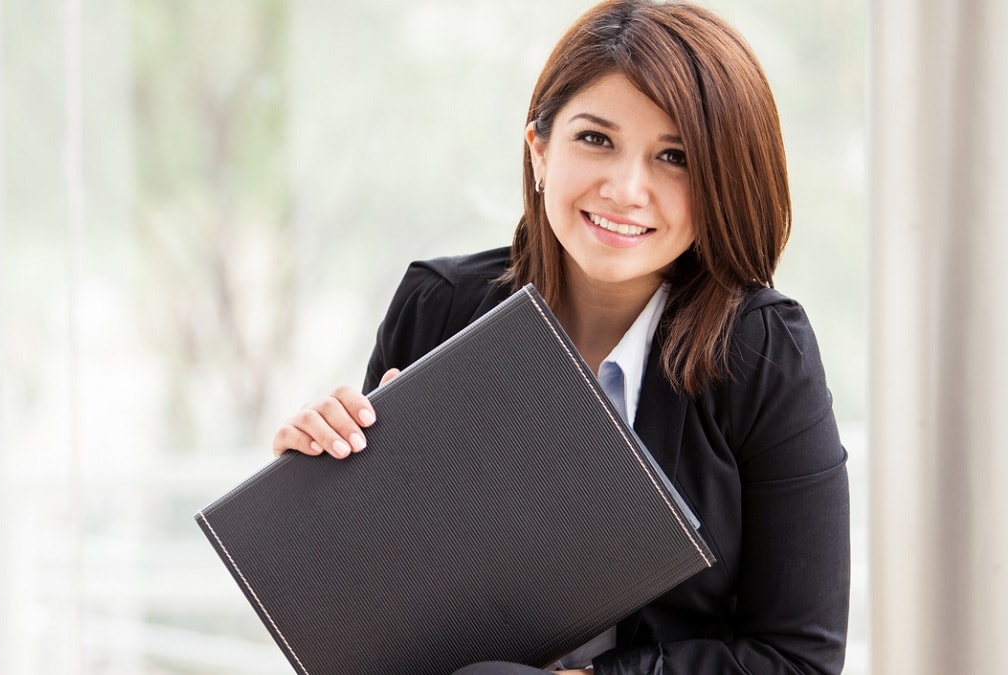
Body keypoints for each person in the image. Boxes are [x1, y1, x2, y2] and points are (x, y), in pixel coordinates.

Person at [271, 0, 850, 673]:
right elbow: (372, 613)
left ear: (723, 181)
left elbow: (799, 658)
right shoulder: (439, 307)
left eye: (676, 156)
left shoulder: (761, 353)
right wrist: (313, 492)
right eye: (596, 139)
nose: (627, 189)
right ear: (539, 150)